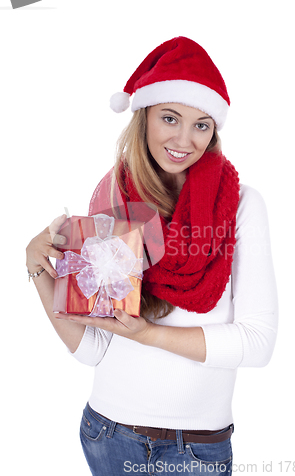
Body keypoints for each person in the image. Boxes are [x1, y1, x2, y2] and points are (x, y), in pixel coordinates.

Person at [26, 36, 278, 475]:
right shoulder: (112, 196)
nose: (185, 139)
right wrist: (35, 266)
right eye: (169, 118)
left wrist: (146, 335)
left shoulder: (239, 204)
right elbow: (92, 348)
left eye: (202, 124)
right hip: (108, 431)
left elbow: (257, 344)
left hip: (196, 449)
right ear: (142, 117)